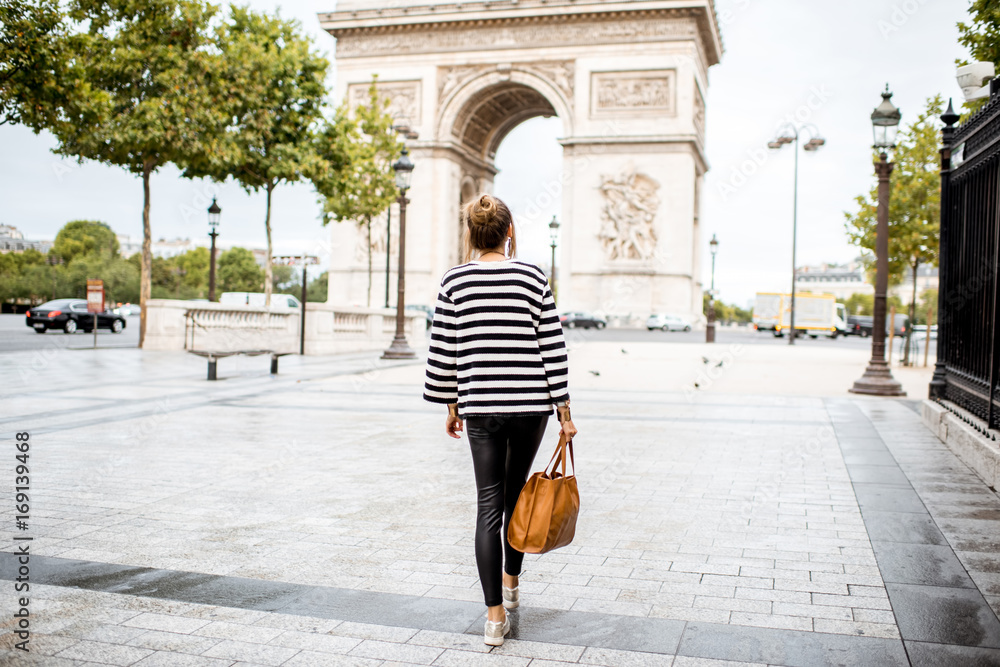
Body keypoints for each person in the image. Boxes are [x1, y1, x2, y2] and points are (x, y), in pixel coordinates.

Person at [423, 193, 578, 646]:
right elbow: (553, 347)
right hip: (530, 408)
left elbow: (444, 350)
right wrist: (563, 411)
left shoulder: (455, 282)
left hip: (482, 406)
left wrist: (451, 405)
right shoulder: (533, 277)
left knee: (488, 507)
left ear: (470, 234)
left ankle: (494, 618)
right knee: (516, 498)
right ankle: (511, 582)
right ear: (509, 232)